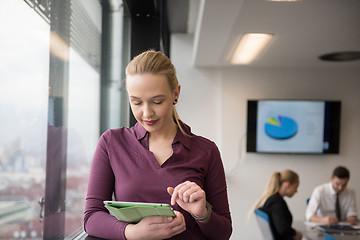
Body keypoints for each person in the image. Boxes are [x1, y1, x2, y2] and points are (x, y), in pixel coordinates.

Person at [83, 50, 232, 240]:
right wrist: (134, 233)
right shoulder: (112, 142)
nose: (147, 113)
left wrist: (202, 213)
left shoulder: (206, 150)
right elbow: (91, 218)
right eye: (136, 102)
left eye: (157, 101)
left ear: (175, 93)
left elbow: (224, 234)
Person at [251, 169, 302, 240]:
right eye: (296, 187)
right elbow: (283, 229)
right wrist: (296, 234)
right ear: (287, 184)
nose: (296, 191)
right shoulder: (277, 202)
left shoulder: (272, 199)